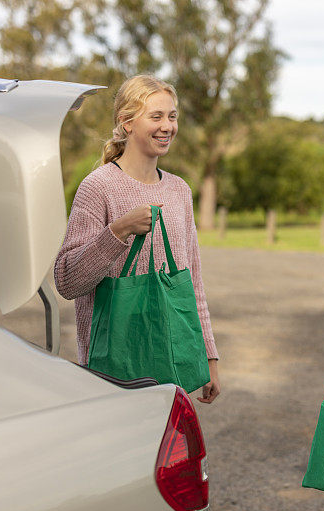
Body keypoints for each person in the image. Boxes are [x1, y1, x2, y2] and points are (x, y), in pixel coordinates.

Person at [54, 74, 220, 404]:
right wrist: (118, 231)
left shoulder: (179, 191)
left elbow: (193, 286)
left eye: (172, 117)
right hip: (110, 372)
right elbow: (67, 281)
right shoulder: (97, 187)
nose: (167, 126)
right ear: (127, 123)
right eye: (155, 116)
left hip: (170, 366)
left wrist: (210, 358)